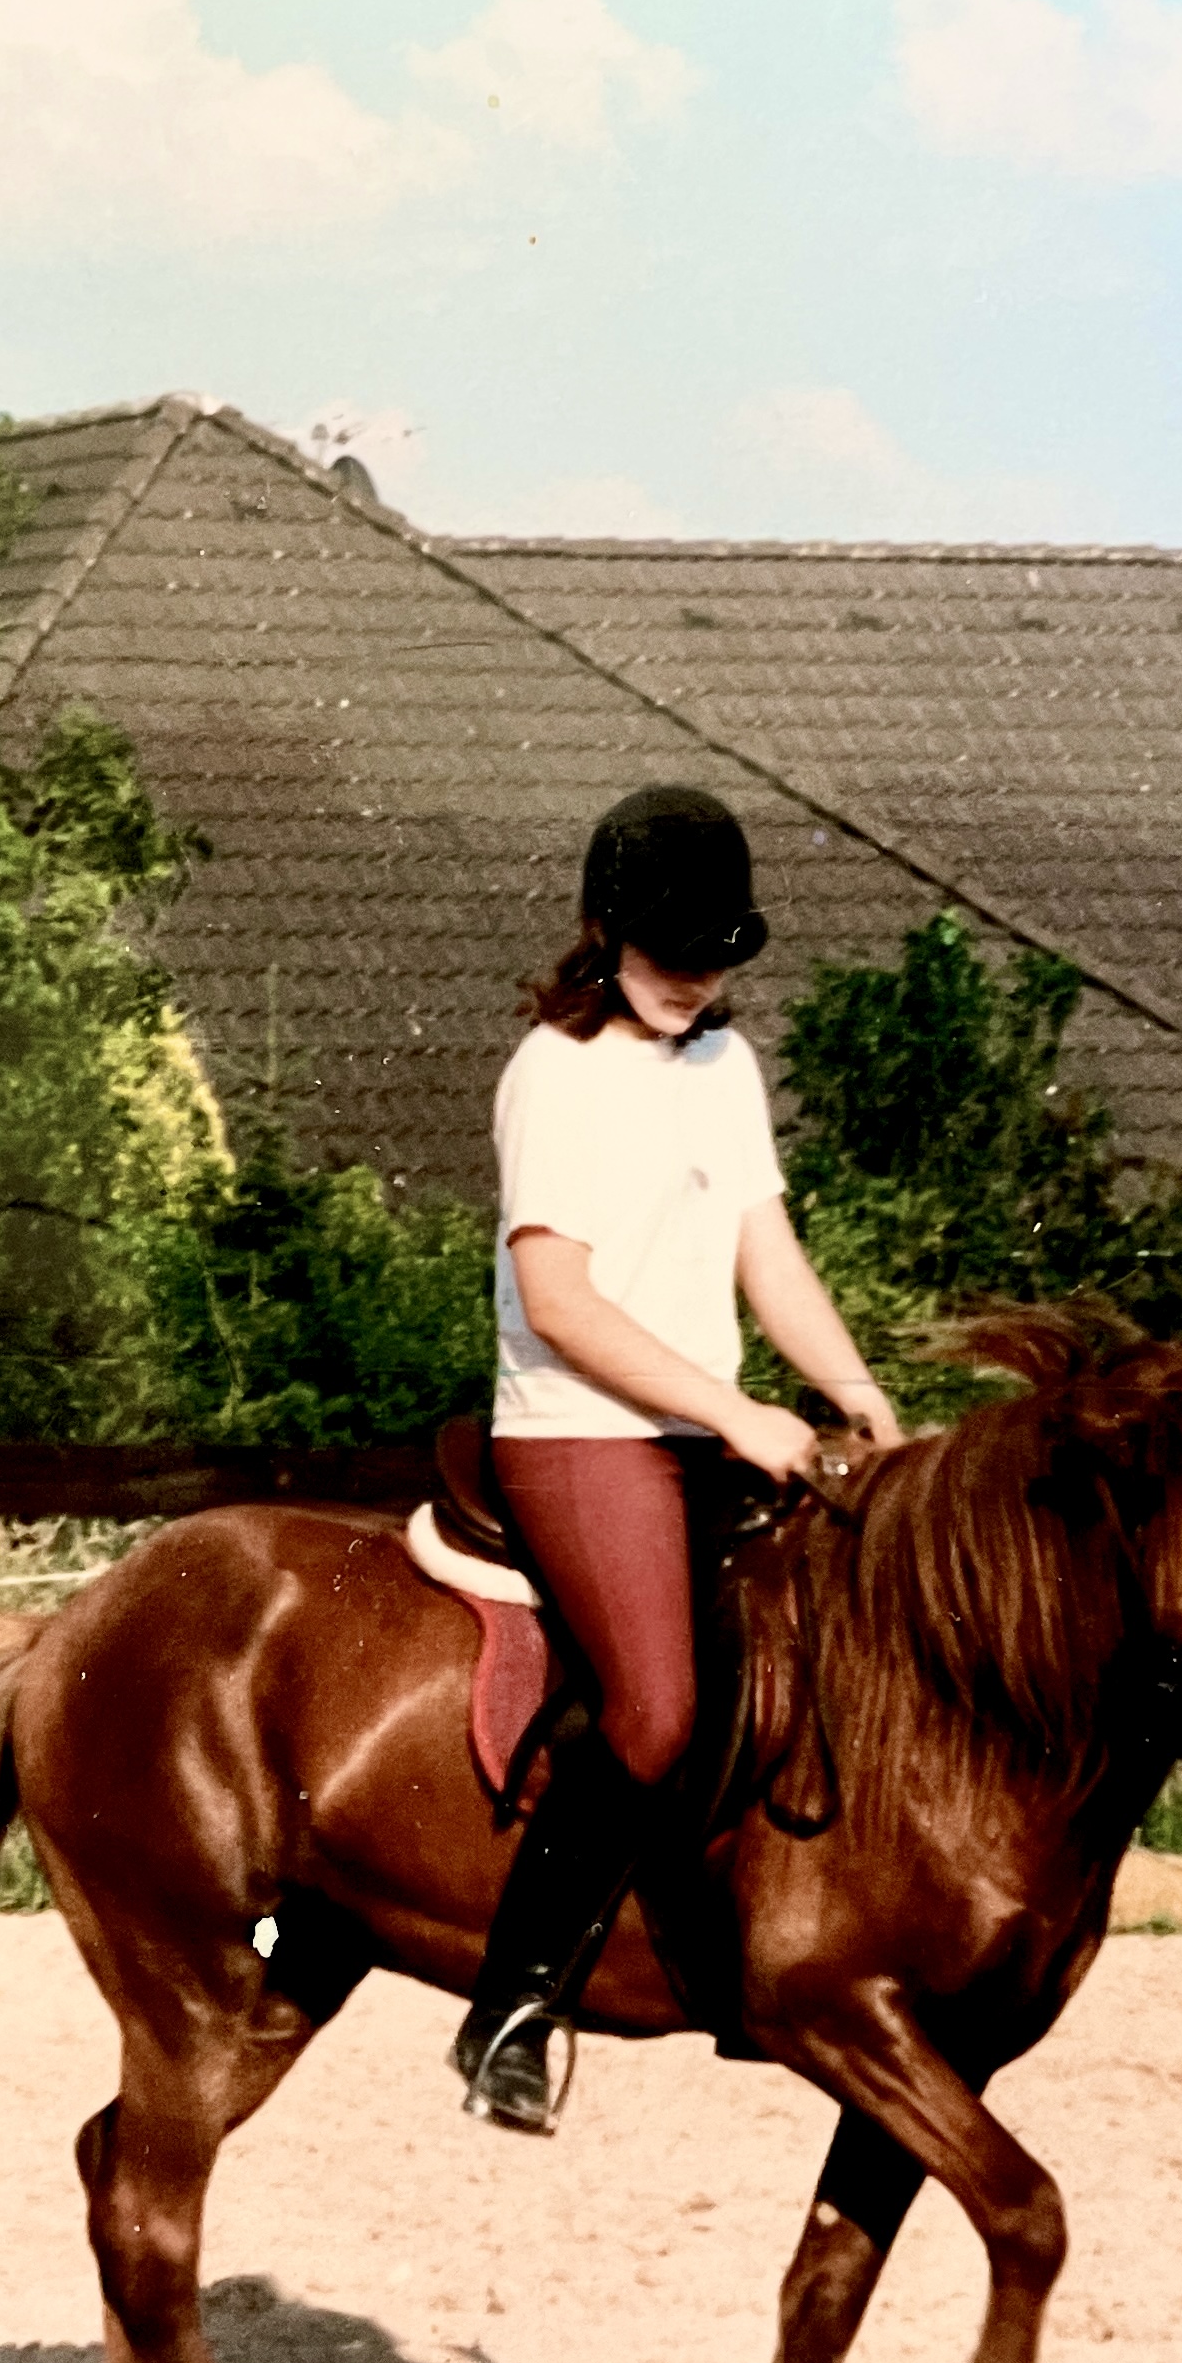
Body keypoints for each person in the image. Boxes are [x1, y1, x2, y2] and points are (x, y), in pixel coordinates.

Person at [452, 784, 904, 2133]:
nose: (695, 978)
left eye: (718, 953)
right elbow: (559, 1303)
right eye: (671, 949)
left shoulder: (723, 1066)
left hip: (701, 1422)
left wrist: (859, 1398)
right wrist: (738, 1413)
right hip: (578, 1425)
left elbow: (767, 1253)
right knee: (654, 1712)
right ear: (604, 929)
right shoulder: (555, 1073)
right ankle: (512, 2006)